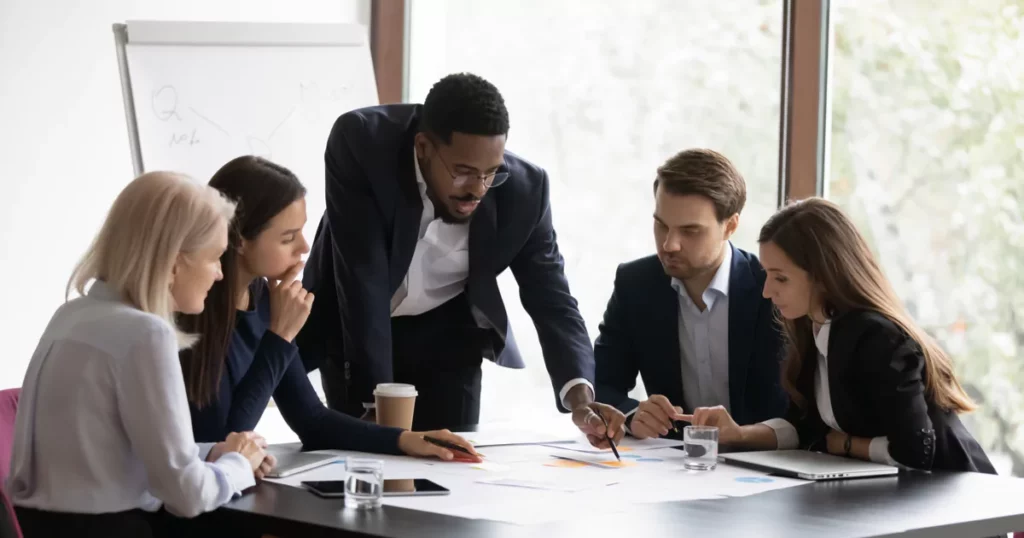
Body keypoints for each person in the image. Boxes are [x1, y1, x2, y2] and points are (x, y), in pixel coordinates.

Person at [299, 72, 624, 446]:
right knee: (366, 463)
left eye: (491, 173)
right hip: (357, 329)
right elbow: (362, 279)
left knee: (453, 465)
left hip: (448, 337)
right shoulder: (362, 143)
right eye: (464, 173)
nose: (478, 189)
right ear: (422, 148)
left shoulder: (526, 191)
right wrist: (378, 408)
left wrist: (582, 401)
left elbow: (552, 298)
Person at [7, 172, 271, 538]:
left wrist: (213, 453)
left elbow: (119, 455)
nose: (219, 275)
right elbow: (187, 496)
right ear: (174, 263)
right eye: (214, 259)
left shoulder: (71, 316)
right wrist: (239, 464)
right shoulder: (145, 333)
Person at [178, 156, 480, 461]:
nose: (304, 247)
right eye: (288, 238)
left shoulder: (266, 299)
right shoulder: (193, 310)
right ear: (239, 239)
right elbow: (221, 445)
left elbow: (311, 419)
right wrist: (280, 336)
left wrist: (405, 439)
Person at [683, 198, 995, 473]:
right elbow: (805, 429)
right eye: (767, 275)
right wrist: (739, 434)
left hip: (958, 501)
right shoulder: (813, 329)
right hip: (901, 499)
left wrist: (844, 445)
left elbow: (916, 451)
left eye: (780, 278)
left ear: (823, 276)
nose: (767, 291)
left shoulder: (877, 337)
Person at [594, 149, 787, 440]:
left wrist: (744, 436)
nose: (669, 244)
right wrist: (633, 415)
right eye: (661, 225)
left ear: (730, 226)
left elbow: (800, 408)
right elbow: (600, 383)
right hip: (672, 466)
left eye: (690, 231)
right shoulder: (635, 284)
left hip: (762, 463)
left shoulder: (771, 289)